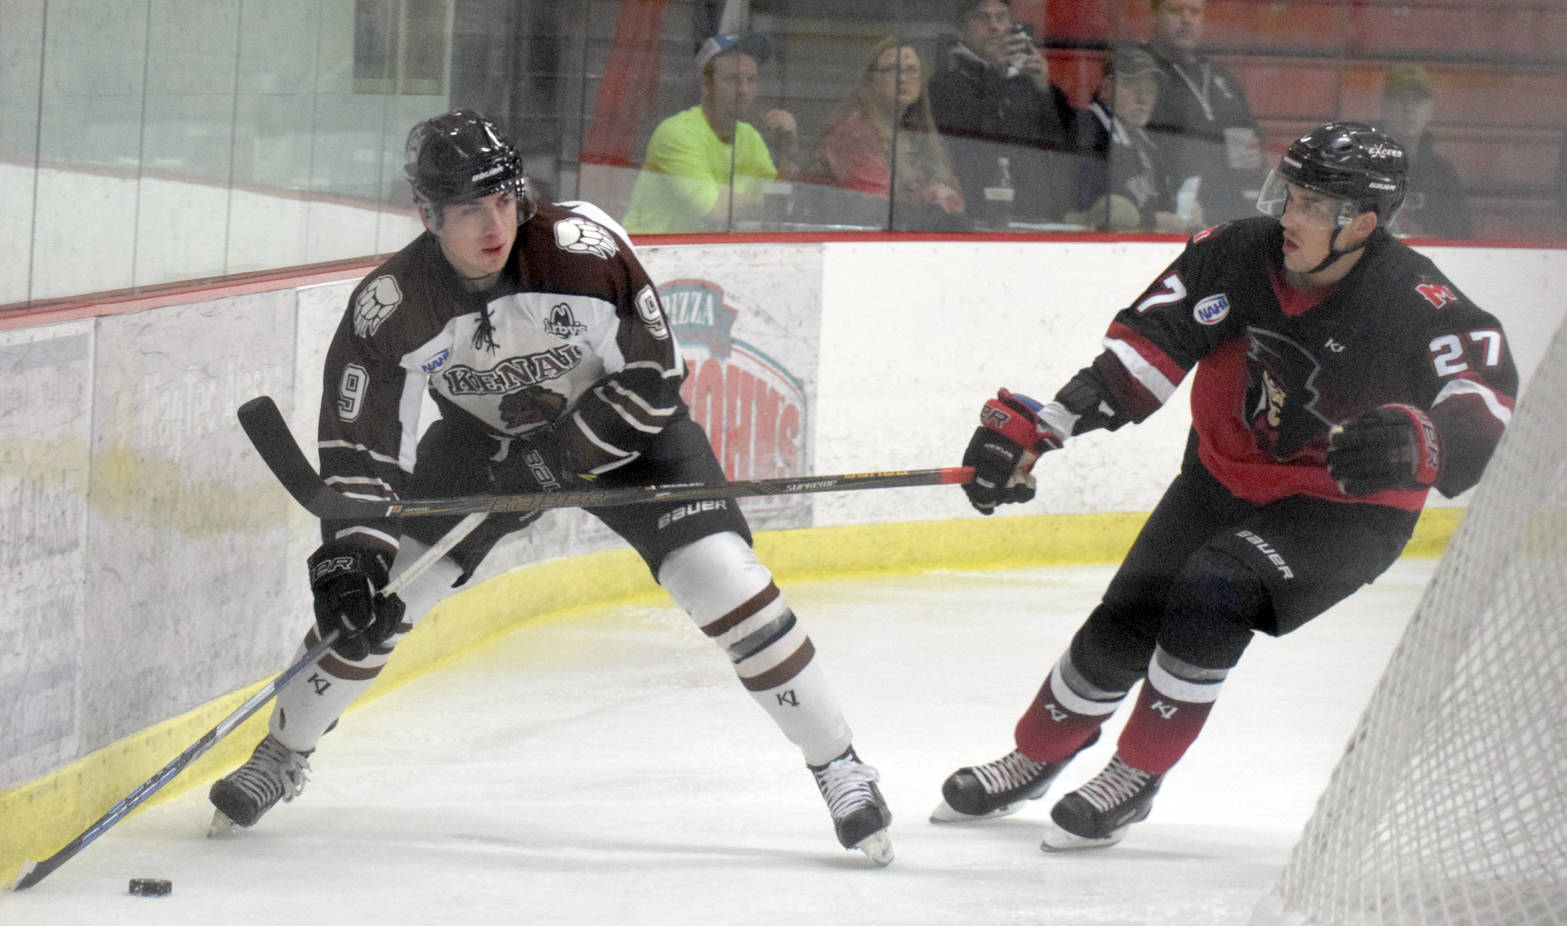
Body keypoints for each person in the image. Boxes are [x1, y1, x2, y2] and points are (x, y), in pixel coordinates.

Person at [208, 109, 894, 865]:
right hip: (480, 448)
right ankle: (281, 754)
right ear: (426, 214)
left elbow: (652, 380)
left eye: (502, 200)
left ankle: (840, 767)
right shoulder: (392, 306)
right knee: (378, 602)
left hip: (630, 440)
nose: (493, 223)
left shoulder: (582, 251)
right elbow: (358, 447)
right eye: (469, 209)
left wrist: (556, 458)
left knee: (725, 582)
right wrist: (353, 557)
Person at [932, 122, 1516, 852]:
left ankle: (1135, 774)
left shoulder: (1414, 297)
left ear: (1361, 224)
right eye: (1289, 195)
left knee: (1215, 588)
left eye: (1310, 206)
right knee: (1130, 608)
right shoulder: (1234, 252)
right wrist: (1043, 430)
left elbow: (1486, 397)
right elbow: (1143, 354)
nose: (1287, 217)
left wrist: (1425, 439)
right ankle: (1038, 753)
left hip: (1345, 510)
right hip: (1220, 475)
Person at [622, 34, 799, 234]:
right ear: (706, 84)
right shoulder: (676, 133)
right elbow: (716, 209)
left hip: (707, 253)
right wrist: (769, 202)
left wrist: (787, 151)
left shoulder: (750, 137)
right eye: (733, 80)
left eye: (751, 80)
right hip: (647, 256)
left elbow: (776, 212)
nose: (744, 90)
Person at [926, 0, 1078, 226]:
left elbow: (1065, 142)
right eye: (983, 18)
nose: (994, 27)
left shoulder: (1024, 81)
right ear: (962, 27)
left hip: (1035, 214)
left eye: (1002, 17)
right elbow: (971, 139)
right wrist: (994, 73)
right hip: (975, 216)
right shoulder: (944, 83)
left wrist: (1045, 89)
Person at [802, 38, 965, 230]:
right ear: (870, 79)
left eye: (912, 70)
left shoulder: (919, 133)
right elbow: (877, 206)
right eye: (891, 70)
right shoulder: (853, 133)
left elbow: (956, 202)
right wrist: (932, 196)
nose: (902, 78)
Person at [1144, 0, 1265, 224]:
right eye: (1175, 10)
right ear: (1155, 15)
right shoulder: (1139, 72)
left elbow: (1251, 138)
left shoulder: (1222, 78)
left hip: (1228, 207)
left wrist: (1254, 158)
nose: (1186, 19)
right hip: (1173, 208)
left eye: (1194, 12)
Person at [1071, 43, 1200, 233]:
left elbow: (1161, 203)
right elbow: (1088, 203)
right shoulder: (1085, 129)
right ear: (1107, 88)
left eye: (1149, 90)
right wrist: (1150, 221)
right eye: (1133, 86)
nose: (1143, 98)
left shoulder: (1149, 143)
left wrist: (1186, 213)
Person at [1379, 64, 1473, 239]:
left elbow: (1461, 235)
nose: (1409, 109)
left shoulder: (1442, 173)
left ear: (1430, 109)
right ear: (1385, 106)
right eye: (1401, 99)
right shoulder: (1365, 165)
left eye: (1417, 101)